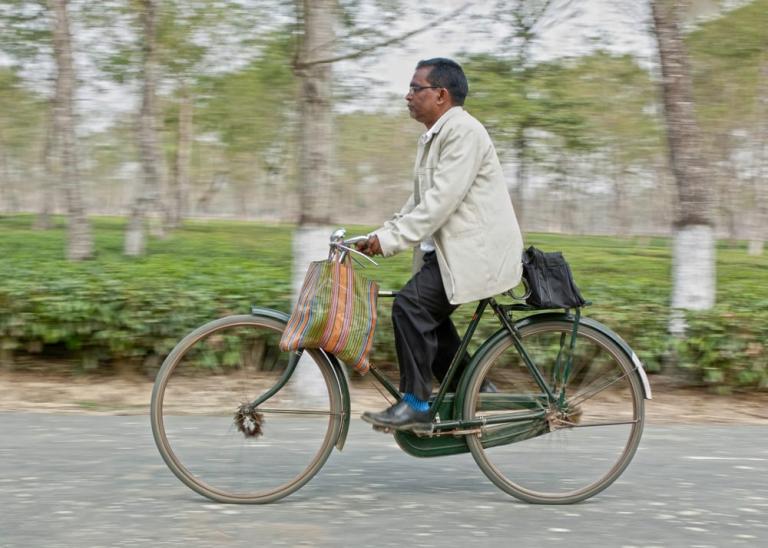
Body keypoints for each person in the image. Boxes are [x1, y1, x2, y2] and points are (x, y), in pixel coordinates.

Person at [356, 58, 524, 431]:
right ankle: (477, 389)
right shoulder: (437, 135)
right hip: (453, 256)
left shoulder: (463, 132)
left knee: (409, 307)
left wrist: (389, 241)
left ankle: (415, 403)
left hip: (477, 255)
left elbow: (440, 202)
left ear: (441, 95)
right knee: (428, 319)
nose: (408, 96)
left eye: (416, 89)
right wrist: (379, 235)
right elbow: (419, 202)